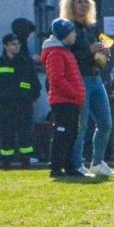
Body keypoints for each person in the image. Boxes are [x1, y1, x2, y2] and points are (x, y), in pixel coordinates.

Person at [60, 0, 114, 177]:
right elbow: (67, 56)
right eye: (79, 2)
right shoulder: (67, 28)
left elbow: (95, 52)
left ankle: (97, 162)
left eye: (86, 2)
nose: (83, 5)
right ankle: (77, 164)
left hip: (95, 77)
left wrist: (102, 53)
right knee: (81, 124)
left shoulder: (91, 27)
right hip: (79, 79)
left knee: (106, 123)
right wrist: (89, 51)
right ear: (71, 5)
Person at [0, 20, 41, 168]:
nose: (16, 47)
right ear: (6, 46)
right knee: (6, 136)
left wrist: (31, 98)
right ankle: (6, 164)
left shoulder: (25, 63)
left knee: (25, 136)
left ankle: (26, 162)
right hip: (6, 106)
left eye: (18, 44)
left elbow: (36, 85)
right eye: (13, 44)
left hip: (24, 105)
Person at [42, 19, 93, 181]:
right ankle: (56, 166)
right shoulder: (56, 53)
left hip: (70, 101)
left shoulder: (65, 52)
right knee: (62, 133)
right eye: (72, 32)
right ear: (64, 34)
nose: (75, 34)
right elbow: (56, 79)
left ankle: (69, 165)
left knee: (71, 134)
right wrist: (74, 94)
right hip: (63, 101)